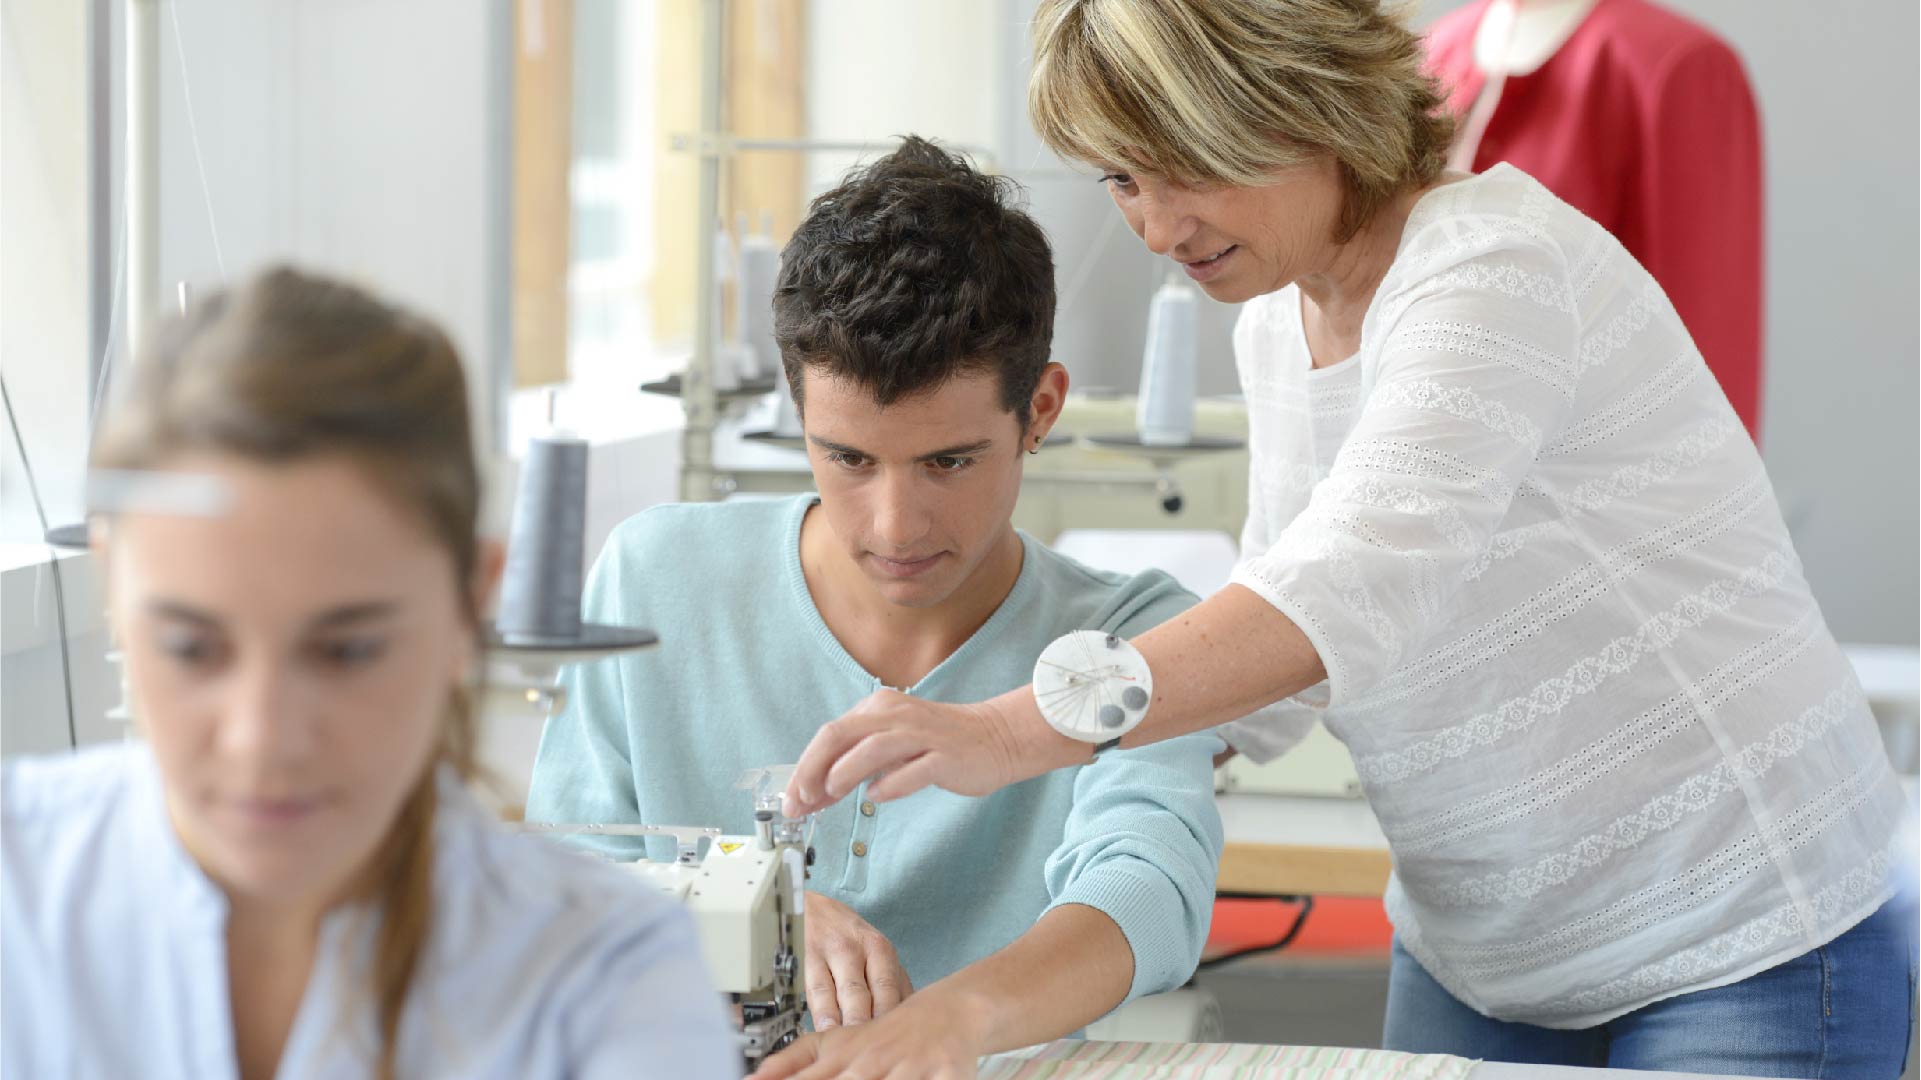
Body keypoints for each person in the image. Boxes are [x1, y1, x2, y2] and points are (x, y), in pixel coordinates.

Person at [782, 3, 1917, 1075]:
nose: (1157, 226)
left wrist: (1015, 729)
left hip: (1737, 927)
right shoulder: (1279, 318)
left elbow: (1350, 590)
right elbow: (1279, 646)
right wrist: (1115, 765)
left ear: (1304, 103)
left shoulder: (1489, 267)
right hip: (1485, 947)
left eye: (1190, 168)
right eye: (1124, 177)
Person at [524, 137, 1224, 1080]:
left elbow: (1149, 889)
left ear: (1041, 410)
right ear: (796, 407)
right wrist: (733, 907)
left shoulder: (1128, 635)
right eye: (849, 458)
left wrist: (954, 1021)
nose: (895, 526)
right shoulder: (653, 576)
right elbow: (555, 880)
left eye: (949, 461)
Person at [1, 268, 740, 1080]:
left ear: (469, 604)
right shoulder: (20, 892)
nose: (263, 739)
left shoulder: (603, 975)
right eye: (191, 648)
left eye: (346, 651)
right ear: (114, 590)